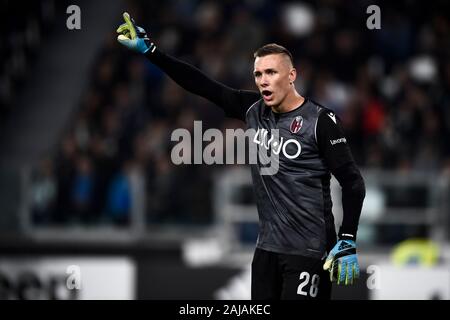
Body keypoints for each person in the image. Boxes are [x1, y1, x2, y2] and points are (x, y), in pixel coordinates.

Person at [116, 12, 365, 300]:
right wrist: (152, 51)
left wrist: (348, 237)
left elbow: (353, 182)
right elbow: (201, 84)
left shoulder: (321, 121)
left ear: (292, 75)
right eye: (258, 74)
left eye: (271, 73)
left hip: (309, 252)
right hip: (266, 252)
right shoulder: (253, 109)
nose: (263, 81)